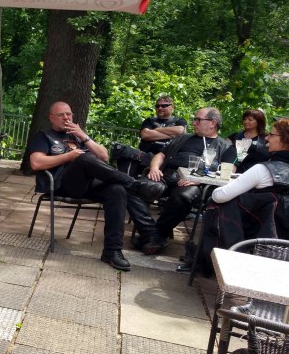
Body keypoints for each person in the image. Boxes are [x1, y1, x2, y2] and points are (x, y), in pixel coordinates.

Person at [27, 101, 166, 271]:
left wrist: (83, 135)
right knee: (84, 158)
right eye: (61, 115)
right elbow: (36, 163)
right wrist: (69, 156)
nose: (66, 118)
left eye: (69, 114)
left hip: (89, 183)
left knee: (117, 190)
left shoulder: (77, 136)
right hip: (63, 184)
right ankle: (135, 185)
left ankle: (112, 251)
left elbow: (104, 156)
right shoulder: (44, 136)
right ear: (51, 118)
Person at [195, 118, 289, 275]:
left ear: (284, 140)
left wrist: (227, 187)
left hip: (252, 232)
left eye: (271, 135)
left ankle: (217, 261)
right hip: (281, 237)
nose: (266, 138)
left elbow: (220, 196)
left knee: (218, 203)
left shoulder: (263, 170)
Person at [147, 107, 232, 242]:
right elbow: (161, 155)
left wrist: (200, 179)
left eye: (198, 120)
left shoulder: (225, 146)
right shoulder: (183, 138)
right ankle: (149, 231)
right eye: (194, 119)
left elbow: (228, 172)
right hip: (164, 176)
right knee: (135, 187)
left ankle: (156, 235)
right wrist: (154, 168)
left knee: (182, 197)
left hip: (193, 184)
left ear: (213, 123)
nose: (194, 123)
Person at [112, 95, 187, 176]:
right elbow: (145, 134)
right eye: (157, 106)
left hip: (165, 158)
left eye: (164, 106)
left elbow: (180, 130)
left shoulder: (179, 121)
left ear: (172, 107)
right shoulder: (150, 120)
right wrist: (170, 135)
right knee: (125, 153)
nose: (160, 108)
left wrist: (156, 130)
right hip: (144, 156)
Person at [225, 109, 269, 173]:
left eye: (250, 120)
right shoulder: (236, 136)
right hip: (235, 172)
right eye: (244, 119)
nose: (246, 122)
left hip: (256, 173)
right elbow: (224, 149)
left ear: (259, 122)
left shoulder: (266, 139)